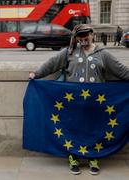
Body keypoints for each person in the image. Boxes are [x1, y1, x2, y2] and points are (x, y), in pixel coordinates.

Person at [29, 24, 129, 175]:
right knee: (72, 130)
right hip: (72, 102)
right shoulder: (68, 53)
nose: (83, 38)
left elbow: (121, 70)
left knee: (94, 130)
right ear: (76, 38)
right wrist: (36, 74)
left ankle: (93, 158)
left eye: (86, 35)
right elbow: (51, 64)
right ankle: (73, 157)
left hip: (96, 103)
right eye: (80, 36)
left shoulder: (103, 54)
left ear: (92, 34)